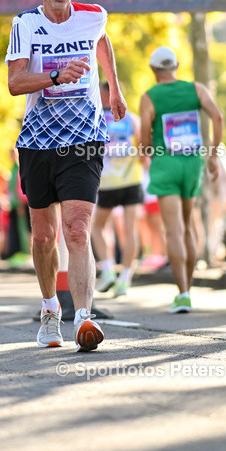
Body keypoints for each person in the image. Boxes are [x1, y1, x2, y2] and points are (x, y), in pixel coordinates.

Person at [5, 0, 125, 351]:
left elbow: (102, 39)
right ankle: (49, 309)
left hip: (84, 137)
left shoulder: (93, 15)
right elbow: (16, 82)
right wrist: (56, 75)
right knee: (43, 237)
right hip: (38, 141)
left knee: (77, 228)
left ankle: (84, 318)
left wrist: (115, 88)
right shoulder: (25, 24)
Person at [139, 46, 224, 313]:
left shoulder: (149, 96)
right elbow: (218, 116)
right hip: (193, 163)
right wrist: (212, 155)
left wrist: (150, 152)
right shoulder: (196, 89)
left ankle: (183, 293)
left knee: (173, 230)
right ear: (175, 66)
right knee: (188, 226)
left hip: (166, 163)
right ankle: (189, 288)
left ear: (154, 70)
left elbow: (144, 138)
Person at [91, 81, 144, 298]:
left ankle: (108, 269)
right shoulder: (132, 119)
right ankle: (125, 279)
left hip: (107, 183)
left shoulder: (95, 117)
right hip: (132, 180)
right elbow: (144, 149)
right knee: (130, 230)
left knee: (97, 228)